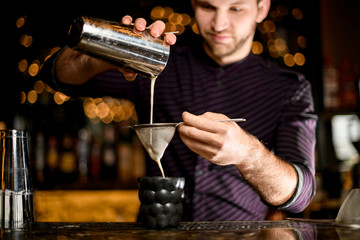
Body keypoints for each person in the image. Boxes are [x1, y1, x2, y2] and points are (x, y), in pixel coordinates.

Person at [43, 0, 317, 221]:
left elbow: (301, 192)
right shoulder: (159, 59)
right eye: (208, 7)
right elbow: (57, 76)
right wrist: (109, 50)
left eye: (236, 8)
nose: (219, 23)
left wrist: (249, 154)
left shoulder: (288, 88)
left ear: (261, 8)